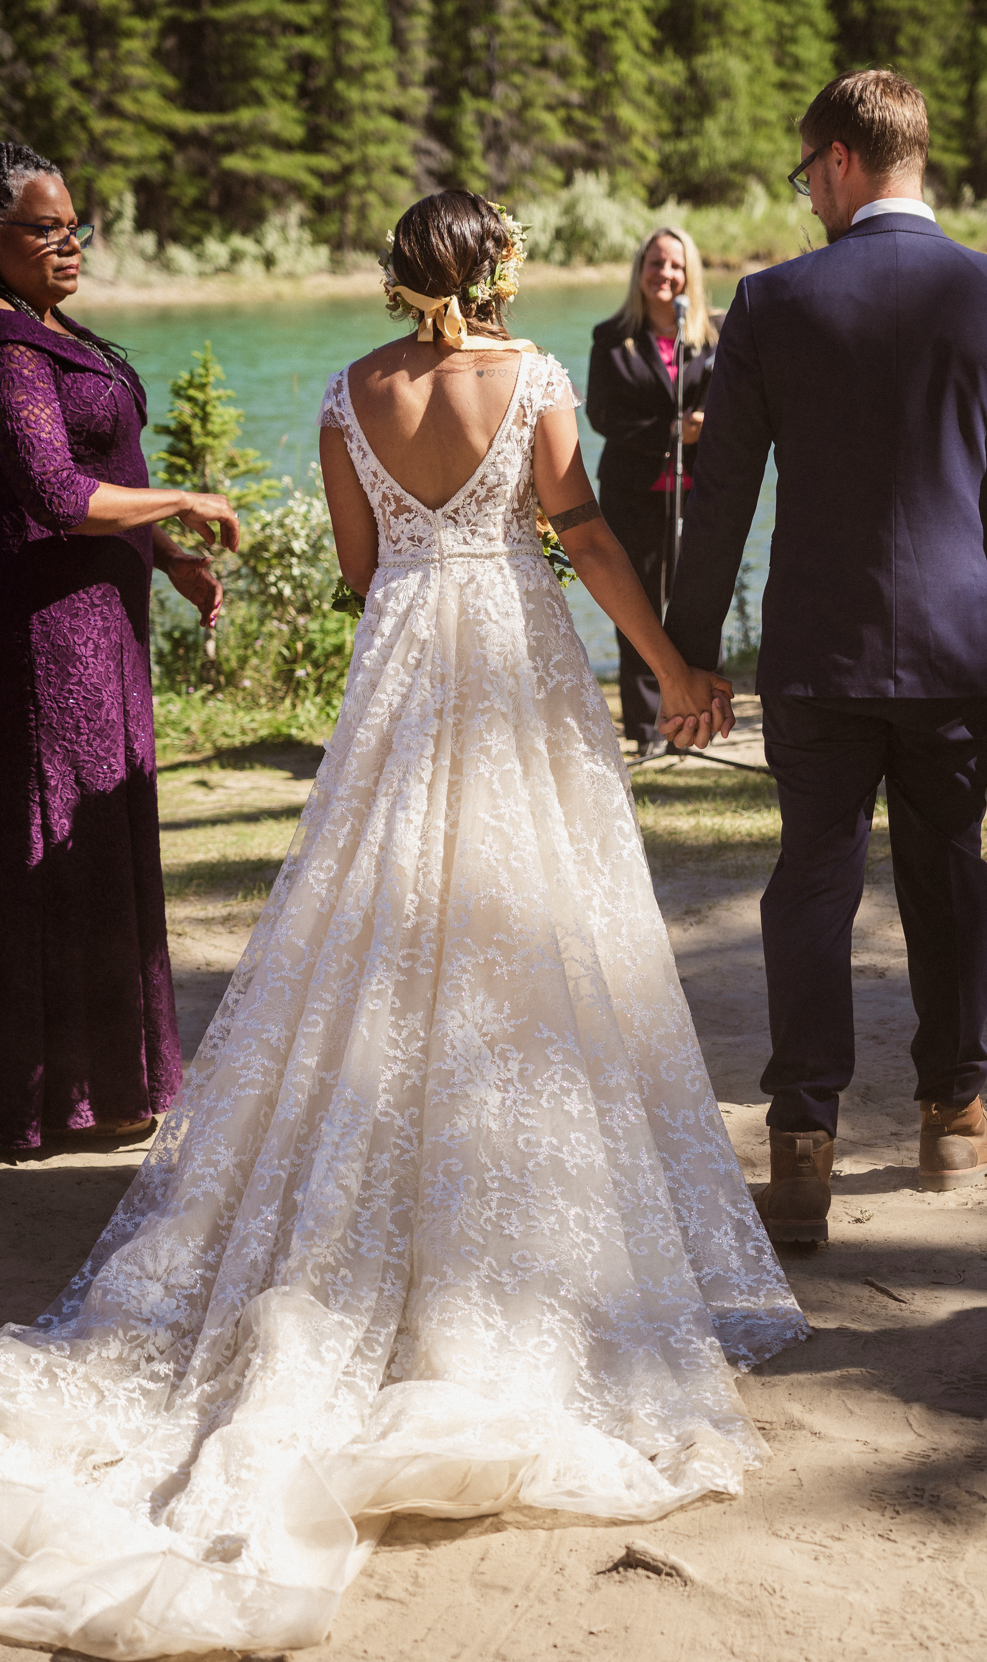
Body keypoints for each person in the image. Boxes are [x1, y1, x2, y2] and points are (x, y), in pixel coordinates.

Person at [0, 189, 805, 1660]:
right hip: (511, 660)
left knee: (372, 934)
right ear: (495, 270)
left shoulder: (349, 391)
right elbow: (588, 544)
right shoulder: (537, 380)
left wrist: (435, 571)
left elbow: (370, 573)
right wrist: (678, 663)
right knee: (543, 926)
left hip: (402, 674)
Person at [663, 71, 987, 1242]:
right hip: (958, 653)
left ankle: (802, 1146)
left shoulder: (771, 302)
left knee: (812, 878)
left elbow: (723, 497)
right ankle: (954, 1115)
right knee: (947, 872)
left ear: (842, 159)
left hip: (816, 651)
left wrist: (691, 660)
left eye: (807, 177)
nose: (808, 201)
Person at [0, 143, 238, 1155]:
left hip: (107, 624)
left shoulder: (58, 333)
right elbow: (57, 494)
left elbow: (105, 482)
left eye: (73, 226)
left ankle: (112, 1084)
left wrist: (171, 552)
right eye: (44, 229)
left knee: (109, 838)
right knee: (60, 848)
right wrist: (183, 495)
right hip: (48, 637)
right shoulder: (8, 351)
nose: (69, 245)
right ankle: (54, 1098)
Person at [586, 227, 721, 750]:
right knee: (637, 610)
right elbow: (601, 415)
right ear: (639, 269)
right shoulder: (611, 336)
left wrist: (708, 424)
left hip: (701, 494)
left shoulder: (715, 335)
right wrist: (669, 432)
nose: (664, 274)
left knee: (696, 607)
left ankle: (701, 720)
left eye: (676, 265)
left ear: (691, 275)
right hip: (633, 491)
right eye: (655, 263)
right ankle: (647, 731)